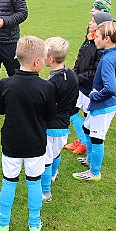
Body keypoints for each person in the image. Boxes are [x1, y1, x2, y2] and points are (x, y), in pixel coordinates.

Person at [0, 35, 56, 231]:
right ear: (37, 62)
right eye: (44, 59)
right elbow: (50, 115)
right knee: (34, 181)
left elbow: (0, 109)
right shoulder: (47, 87)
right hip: (36, 143)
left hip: (12, 143)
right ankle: (34, 225)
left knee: (9, 181)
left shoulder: (5, 84)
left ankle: (4, 222)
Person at [65, 0, 112, 155]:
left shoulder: (104, 44)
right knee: (72, 110)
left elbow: (97, 71)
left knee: (87, 117)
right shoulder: (91, 34)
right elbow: (82, 54)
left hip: (89, 87)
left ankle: (87, 145)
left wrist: (77, 77)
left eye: (94, 11)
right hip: (80, 82)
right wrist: (74, 72)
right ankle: (84, 141)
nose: (91, 13)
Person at [73, 21, 116, 181]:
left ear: (107, 39)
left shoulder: (106, 60)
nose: (94, 39)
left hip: (103, 106)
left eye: (97, 36)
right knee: (87, 129)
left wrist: (94, 95)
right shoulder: (111, 54)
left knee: (97, 138)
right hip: (99, 105)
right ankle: (90, 160)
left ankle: (94, 172)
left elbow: (110, 88)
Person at [41, 37, 78, 203]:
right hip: (64, 125)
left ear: (50, 59)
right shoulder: (72, 75)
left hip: (50, 127)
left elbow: (46, 106)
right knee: (56, 154)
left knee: (46, 160)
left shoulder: (50, 84)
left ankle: (45, 192)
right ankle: (54, 174)